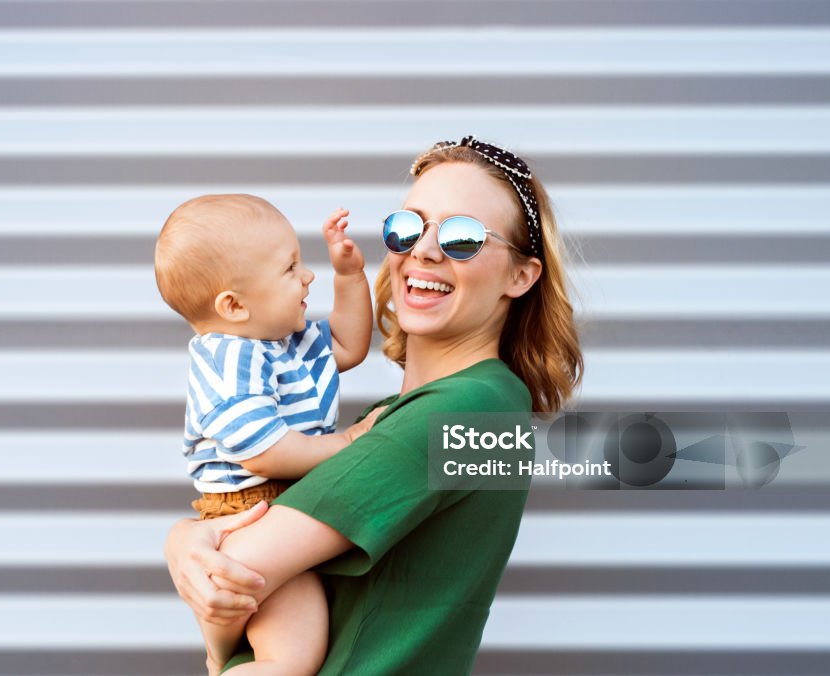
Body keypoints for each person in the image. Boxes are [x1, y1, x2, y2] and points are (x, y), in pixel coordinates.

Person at [165, 136, 584, 674]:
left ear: (520, 276)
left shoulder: (470, 407)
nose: (424, 251)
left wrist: (185, 549)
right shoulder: (421, 411)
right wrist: (185, 541)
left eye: (462, 237)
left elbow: (233, 574)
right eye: (408, 227)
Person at [154, 194, 376, 675]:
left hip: (271, 506)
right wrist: (348, 443)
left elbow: (349, 345)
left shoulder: (284, 344)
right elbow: (264, 452)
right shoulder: (230, 358)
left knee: (266, 654)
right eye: (290, 267)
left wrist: (350, 276)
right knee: (290, 660)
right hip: (253, 510)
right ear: (234, 306)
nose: (307, 276)